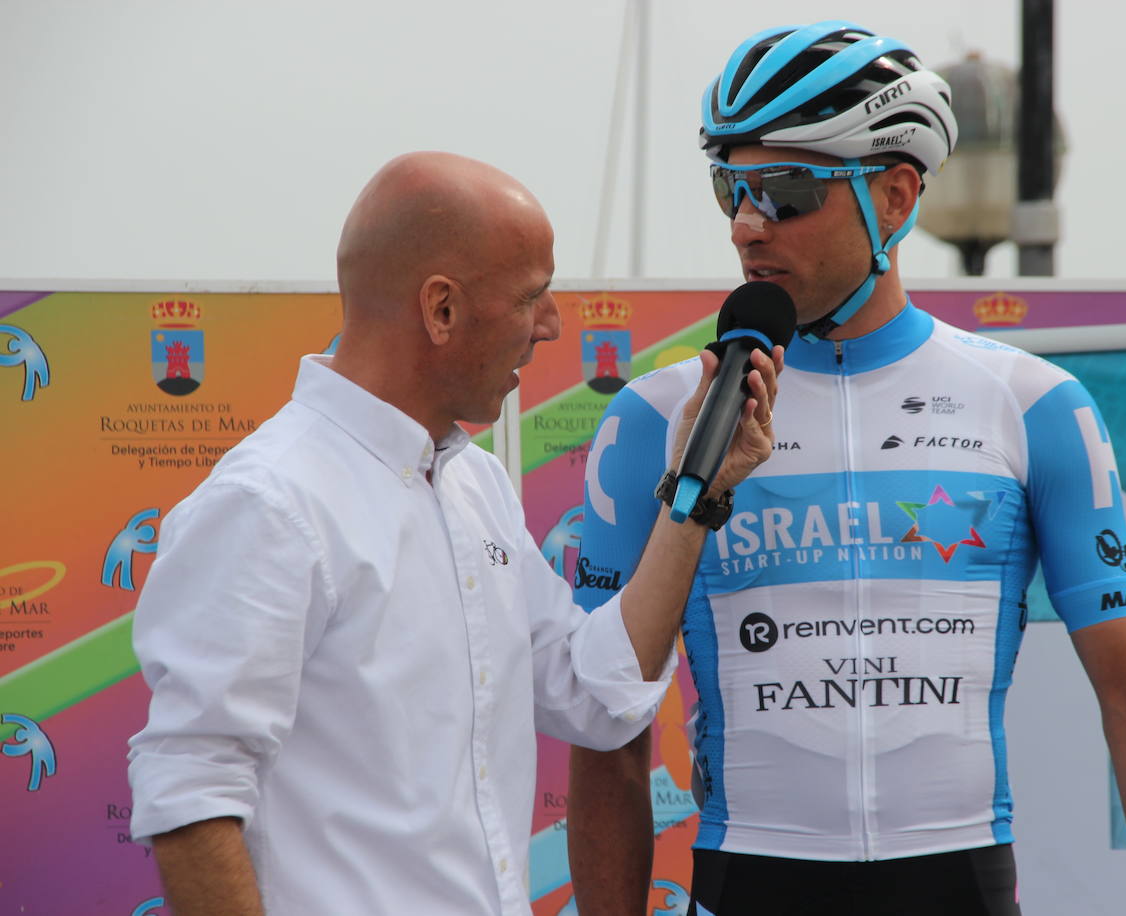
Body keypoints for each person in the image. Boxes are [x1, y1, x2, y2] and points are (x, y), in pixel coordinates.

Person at [568, 22, 1126, 916]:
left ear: (897, 197)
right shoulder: (654, 420)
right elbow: (606, 731)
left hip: (960, 887)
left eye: (786, 191)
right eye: (731, 189)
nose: (749, 225)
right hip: (746, 885)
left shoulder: (1032, 404)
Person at [126, 151, 781, 916]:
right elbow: (190, 795)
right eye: (532, 296)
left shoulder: (472, 482)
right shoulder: (269, 503)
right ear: (441, 310)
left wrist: (693, 496)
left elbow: (595, 692)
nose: (552, 326)